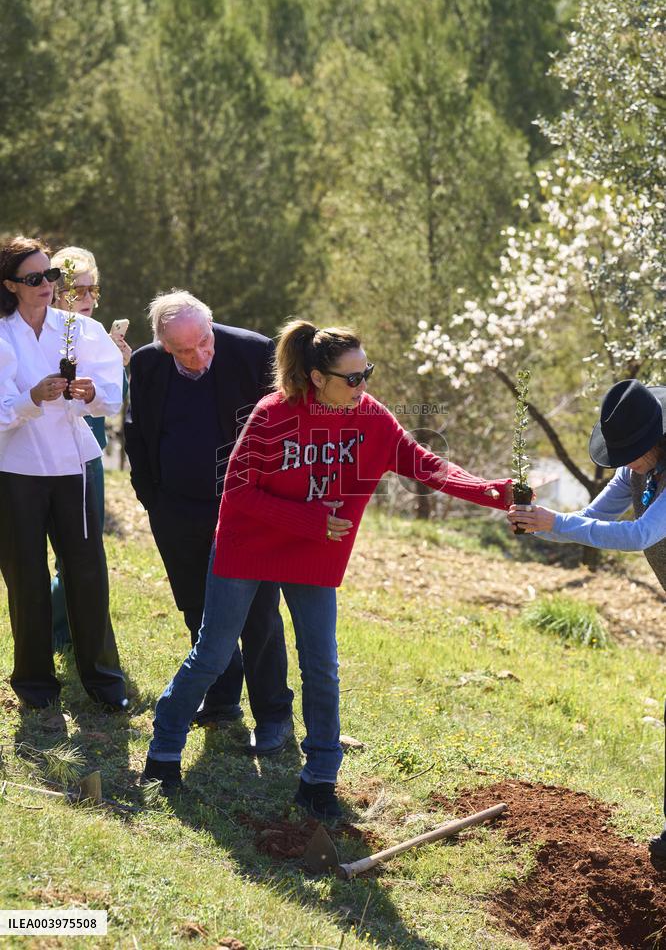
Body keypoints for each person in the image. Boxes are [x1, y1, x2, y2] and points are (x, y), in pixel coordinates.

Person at [143, 319, 512, 818]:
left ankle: (319, 776)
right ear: (318, 377)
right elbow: (238, 491)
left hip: (312, 555)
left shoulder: (371, 418)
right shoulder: (273, 414)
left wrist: (494, 492)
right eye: (352, 378)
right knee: (212, 652)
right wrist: (312, 518)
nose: (364, 387)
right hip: (248, 543)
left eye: (368, 374)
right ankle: (164, 747)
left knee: (322, 665)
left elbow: (427, 465)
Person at [124, 291, 293, 752]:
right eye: (184, 350)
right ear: (163, 346)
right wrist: (152, 498)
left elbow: (284, 431)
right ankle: (220, 698)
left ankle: (274, 713)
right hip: (177, 508)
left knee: (258, 614)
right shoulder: (145, 365)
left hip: (246, 508)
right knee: (197, 608)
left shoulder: (255, 352)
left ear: (212, 326)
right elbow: (137, 433)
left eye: (204, 342)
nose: (199, 356)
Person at [508, 379, 666, 865]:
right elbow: (591, 520)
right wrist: (537, 522)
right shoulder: (635, 470)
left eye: (635, 452)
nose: (627, 463)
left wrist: (557, 523)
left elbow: (640, 532)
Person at [0, 235, 127, 712]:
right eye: (34, 278)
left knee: (87, 571)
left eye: (50, 275)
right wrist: (32, 398)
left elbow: (113, 397)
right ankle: (34, 684)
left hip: (75, 465)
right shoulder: (2, 335)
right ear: (11, 285)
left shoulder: (80, 330)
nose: (46, 285)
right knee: (25, 576)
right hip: (15, 469)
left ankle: (103, 679)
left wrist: (90, 394)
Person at [50, 246, 132, 651]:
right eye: (76, 290)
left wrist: (120, 365)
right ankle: (56, 632)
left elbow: (114, 403)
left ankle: (67, 634)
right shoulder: (46, 333)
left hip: (88, 454)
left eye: (92, 290)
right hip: (42, 455)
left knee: (83, 549)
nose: (87, 299)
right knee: (63, 554)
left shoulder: (98, 336)